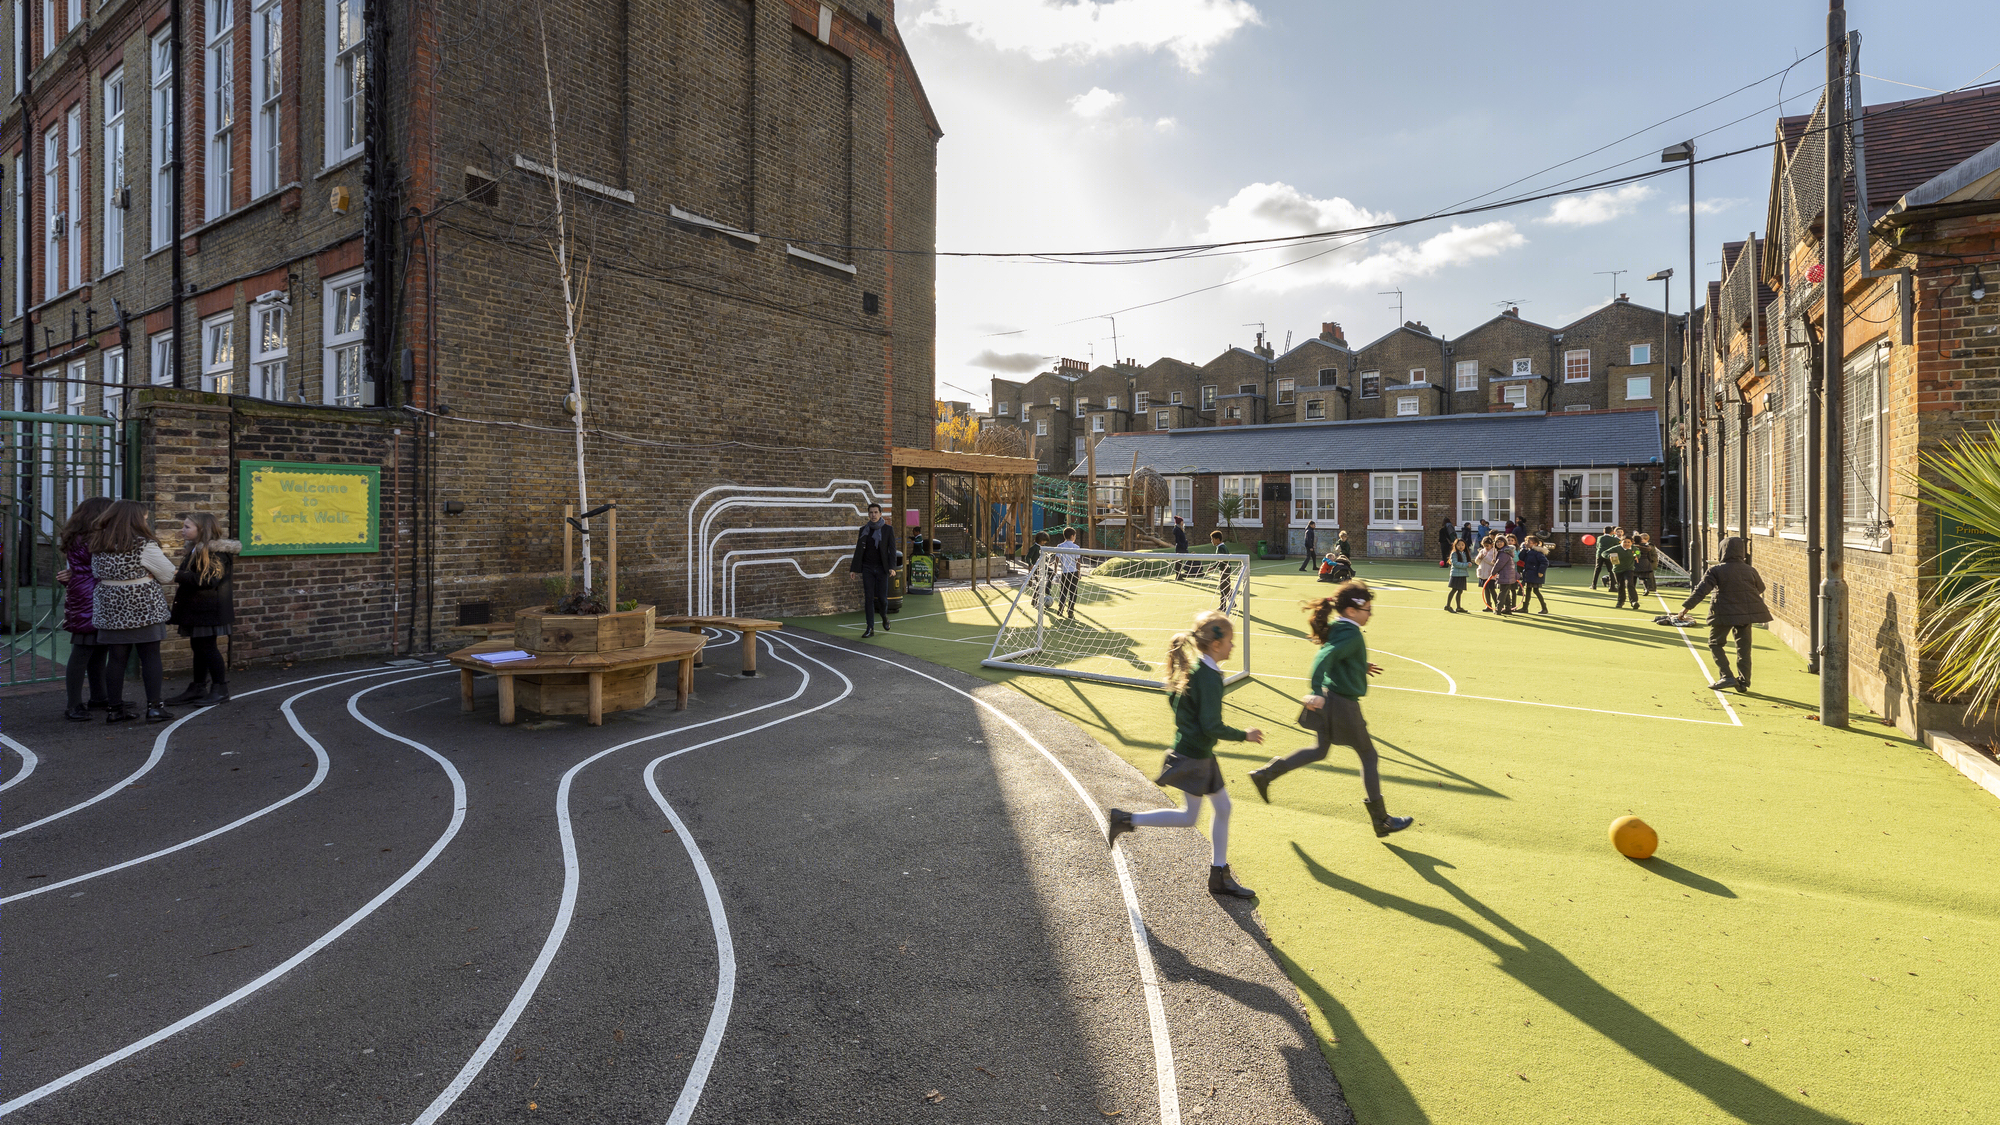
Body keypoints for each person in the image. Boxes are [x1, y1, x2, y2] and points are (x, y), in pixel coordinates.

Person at [1106, 610, 1265, 897]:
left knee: (1220, 809)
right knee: (1189, 817)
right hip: (1196, 756)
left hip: (1198, 752)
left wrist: (1189, 727)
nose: (1232, 646)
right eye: (1230, 641)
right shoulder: (1209, 677)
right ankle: (1126, 819)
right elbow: (1211, 725)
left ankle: (1219, 874)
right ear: (1216, 645)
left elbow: (1176, 702)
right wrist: (1245, 735)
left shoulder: (1199, 671)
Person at [1249, 583, 1413, 836]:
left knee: (1319, 750)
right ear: (1351, 610)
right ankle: (1381, 821)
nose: (1370, 613)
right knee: (1369, 756)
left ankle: (1266, 774)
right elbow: (1323, 658)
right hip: (1342, 703)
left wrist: (1359, 664)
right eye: (1367, 609)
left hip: (1330, 698)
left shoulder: (1341, 626)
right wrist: (1314, 691)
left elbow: (1338, 656)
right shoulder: (1352, 633)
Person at [88, 499, 177, 723]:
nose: (147, 521)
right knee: (150, 656)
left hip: (110, 607)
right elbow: (168, 574)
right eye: (145, 518)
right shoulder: (144, 545)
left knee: (116, 659)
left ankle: (115, 710)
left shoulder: (99, 543)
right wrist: (146, 576)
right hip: (143, 606)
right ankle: (155, 708)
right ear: (136, 519)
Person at [166, 513, 240, 705]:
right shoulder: (196, 550)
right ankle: (198, 687)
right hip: (197, 609)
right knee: (198, 647)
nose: (183, 530)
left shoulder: (215, 552)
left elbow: (209, 580)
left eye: (187, 527)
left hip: (208, 610)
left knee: (207, 648)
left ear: (202, 529)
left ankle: (220, 688)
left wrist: (177, 574)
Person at [1682, 536, 1771, 691]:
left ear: (1722, 551)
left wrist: (1686, 608)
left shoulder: (1716, 570)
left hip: (1723, 613)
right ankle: (1743, 682)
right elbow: (1761, 589)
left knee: (1715, 643)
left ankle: (1727, 676)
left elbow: (1701, 591)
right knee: (1743, 648)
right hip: (1745, 613)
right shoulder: (1750, 570)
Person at [54, 496, 115, 720]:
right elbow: (101, 568)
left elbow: (81, 569)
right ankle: (74, 704)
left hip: (83, 592)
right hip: (91, 595)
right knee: (83, 651)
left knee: (97, 649)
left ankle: (99, 697)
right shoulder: (92, 539)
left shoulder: (78, 536)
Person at [848, 502, 898, 638]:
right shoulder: (864, 530)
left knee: (882, 599)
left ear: (880, 514)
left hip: (882, 568)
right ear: (868, 514)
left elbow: (892, 550)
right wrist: (853, 569)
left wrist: (892, 567)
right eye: (871, 512)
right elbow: (859, 550)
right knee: (868, 598)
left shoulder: (888, 530)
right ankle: (870, 627)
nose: (873, 515)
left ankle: (884, 617)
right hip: (867, 568)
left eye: (876, 512)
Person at [1517, 536, 1550, 614]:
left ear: (1535, 544)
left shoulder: (1538, 553)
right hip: (1529, 574)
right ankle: (1525, 608)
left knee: (1536, 591)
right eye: (1526, 542)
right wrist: (1524, 549)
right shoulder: (1528, 551)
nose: (1527, 544)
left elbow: (1544, 562)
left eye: (1529, 542)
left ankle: (1544, 607)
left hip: (1535, 574)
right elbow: (1521, 557)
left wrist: (1541, 572)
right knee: (1528, 591)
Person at [1054, 526, 1082, 618]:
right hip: (1073, 572)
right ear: (1072, 536)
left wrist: (1055, 570)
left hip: (1064, 572)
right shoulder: (1076, 547)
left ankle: (1061, 607)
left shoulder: (1060, 546)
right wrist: (1079, 573)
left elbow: (1056, 559)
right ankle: (1070, 610)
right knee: (1073, 592)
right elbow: (1078, 562)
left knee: (1063, 591)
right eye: (1075, 536)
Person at [1608, 534, 1640, 609]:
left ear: (1631, 543)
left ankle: (1634, 601)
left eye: (1629, 542)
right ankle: (1620, 602)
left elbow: (1638, 552)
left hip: (1629, 569)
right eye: (1625, 542)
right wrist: (1610, 556)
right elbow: (1604, 553)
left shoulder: (1634, 548)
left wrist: (1636, 555)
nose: (1627, 544)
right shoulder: (1616, 548)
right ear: (1621, 542)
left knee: (1630, 584)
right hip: (1618, 570)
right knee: (1620, 586)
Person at [1493, 535, 1520, 614]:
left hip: (1505, 575)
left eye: (1501, 541)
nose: (1499, 543)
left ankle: (1498, 609)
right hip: (1508, 575)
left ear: (1504, 542)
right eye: (1497, 542)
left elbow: (1499, 564)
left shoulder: (1503, 553)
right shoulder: (1506, 551)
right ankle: (1508, 609)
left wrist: (1493, 573)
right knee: (1506, 592)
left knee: (1502, 593)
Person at [1209, 530, 1236, 611]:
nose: (1211, 541)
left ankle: (1223, 606)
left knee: (1223, 588)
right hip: (1226, 569)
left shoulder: (1221, 548)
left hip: (1225, 569)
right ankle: (1233, 603)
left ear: (1217, 539)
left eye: (1212, 539)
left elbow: (1221, 561)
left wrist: (1213, 567)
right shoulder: (1222, 547)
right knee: (1227, 587)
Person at [1445, 538, 1471, 612]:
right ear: (1455, 545)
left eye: (1462, 545)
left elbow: (1466, 562)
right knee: (1454, 590)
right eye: (1459, 545)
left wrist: (1469, 563)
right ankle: (1448, 605)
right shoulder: (1454, 553)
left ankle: (1458, 607)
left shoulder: (1464, 553)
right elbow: (1455, 564)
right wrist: (1466, 565)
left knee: (1460, 591)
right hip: (1455, 575)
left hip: (1462, 575)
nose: (1461, 546)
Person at [1475, 536, 1500, 612]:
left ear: (1492, 544)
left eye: (1487, 545)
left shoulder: (1495, 552)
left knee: (1492, 590)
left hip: (1490, 574)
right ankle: (1488, 605)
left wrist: (1484, 557)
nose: (1486, 547)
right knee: (1486, 590)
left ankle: (1497, 605)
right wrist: (1479, 558)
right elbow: (1477, 562)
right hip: (1483, 574)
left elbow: (1493, 562)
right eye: (1484, 545)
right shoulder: (1482, 551)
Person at [1172, 515, 1192, 580]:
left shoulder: (1180, 529)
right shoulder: (1177, 530)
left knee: (1180, 562)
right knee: (1178, 562)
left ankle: (1180, 575)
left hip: (1183, 547)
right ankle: (1178, 575)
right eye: (1182, 521)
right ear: (1179, 522)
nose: (1183, 522)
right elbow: (1177, 540)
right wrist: (1183, 545)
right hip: (1180, 548)